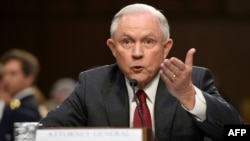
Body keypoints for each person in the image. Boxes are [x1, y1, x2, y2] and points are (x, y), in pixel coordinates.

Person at [39, 3, 244, 141]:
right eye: (126, 42)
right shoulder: (92, 85)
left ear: (166, 47)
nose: (137, 53)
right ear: (112, 48)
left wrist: (188, 96)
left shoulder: (195, 80)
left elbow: (239, 133)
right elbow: (43, 133)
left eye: (148, 41)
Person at [0, 49, 42, 141]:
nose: (6, 79)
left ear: (29, 78)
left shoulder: (26, 110)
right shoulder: (16, 103)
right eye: (5, 74)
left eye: (13, 74)